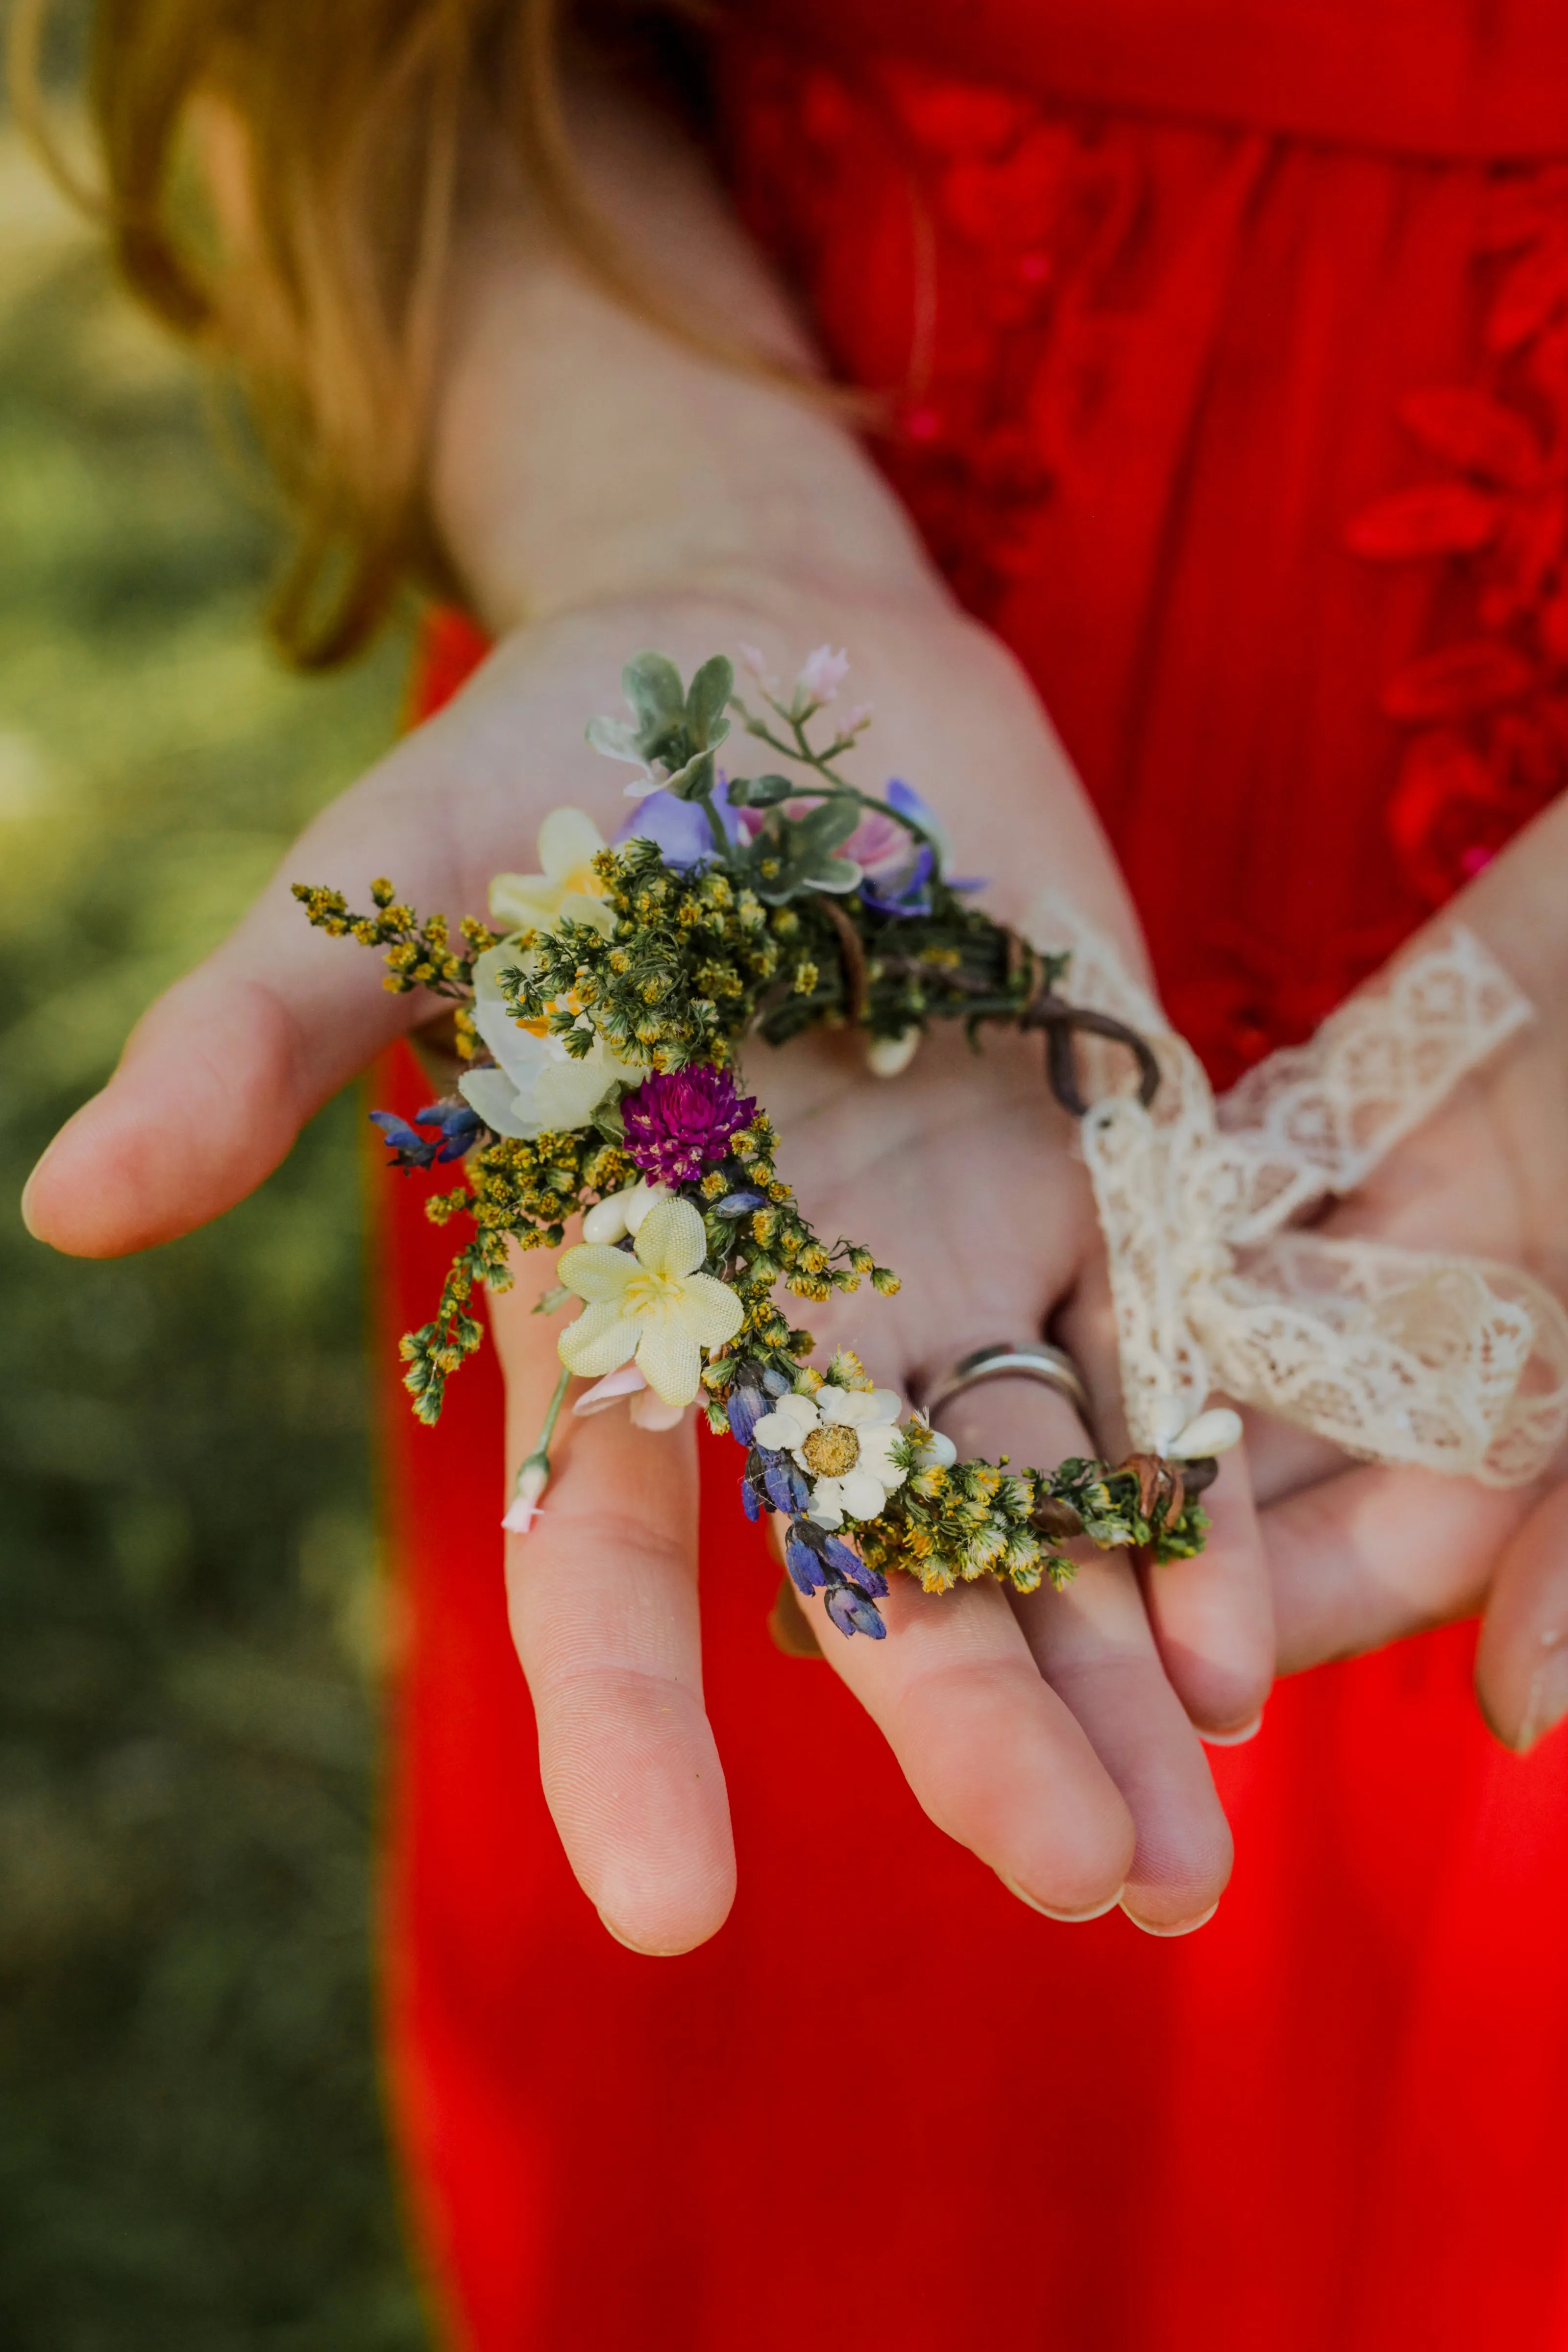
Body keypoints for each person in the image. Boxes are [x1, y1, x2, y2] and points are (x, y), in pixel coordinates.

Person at [16, 0, 1568, 2342]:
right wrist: (678, 514)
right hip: (795, 735)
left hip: (1430, 1072)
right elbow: (339, 55)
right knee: (846, 2037)